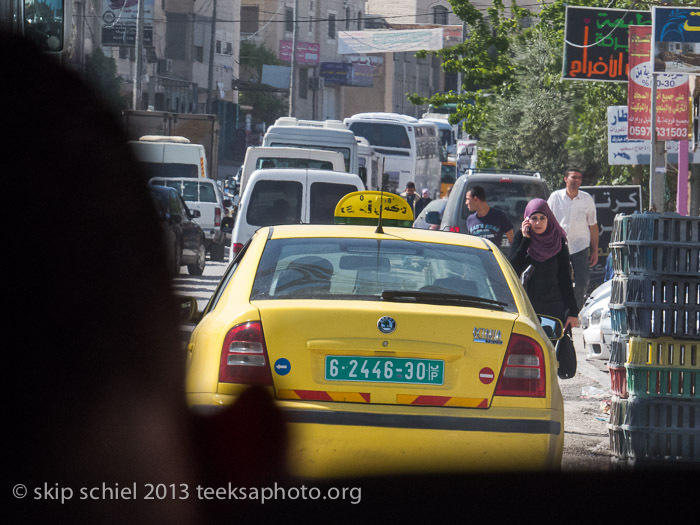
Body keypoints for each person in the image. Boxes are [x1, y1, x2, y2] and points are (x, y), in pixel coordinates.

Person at [508, 199, 579, 331]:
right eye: (534, 218)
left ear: (549, 218)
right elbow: (512, 268)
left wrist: (573, 312)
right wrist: (526, 240)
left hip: (554, 307)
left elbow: (565, 279)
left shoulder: (558, 241)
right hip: (527, 307)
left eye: (542, 218)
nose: (538, 223)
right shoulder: (521, 237)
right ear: (527, 220)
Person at [547, 168, 599, 309]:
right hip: (558, 245)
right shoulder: (555, 197)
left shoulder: (586, 199)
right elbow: (546, 221)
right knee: (557, 280)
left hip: (580, 245)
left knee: (582, 281)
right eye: (573, 177)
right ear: (565, 179)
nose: (576, 181)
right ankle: (559, 310)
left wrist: (595, 251)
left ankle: (575, 312)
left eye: (579, 178)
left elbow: (593, 226)